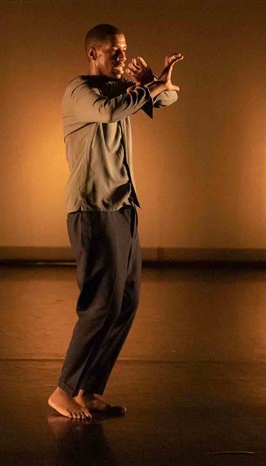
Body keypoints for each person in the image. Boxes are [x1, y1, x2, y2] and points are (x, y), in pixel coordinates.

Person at [48, 24, 183, 420]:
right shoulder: (80, 91)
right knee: (100, 303)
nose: (122, 57)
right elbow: (109, 112)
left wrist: (154, 82)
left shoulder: (122, 90)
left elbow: (169, 98)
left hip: (123, 208)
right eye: (114, 51)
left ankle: (89, 390)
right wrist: (148, 88)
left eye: (124, 50)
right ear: (94, 54)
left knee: (126, 302)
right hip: (92, 209)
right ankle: (63, 390)